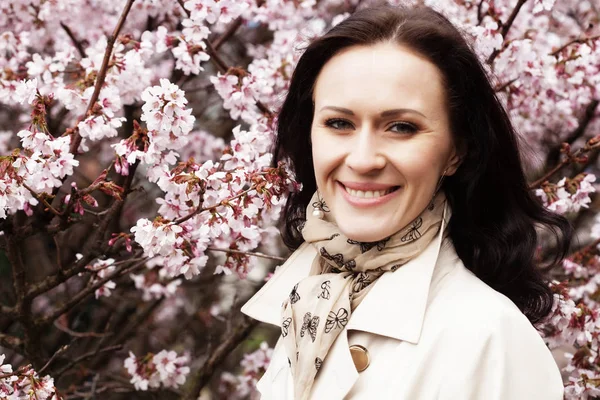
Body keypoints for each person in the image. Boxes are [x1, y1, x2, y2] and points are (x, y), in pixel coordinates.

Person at [241, 4, 572, 399]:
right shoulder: (310, 298)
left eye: (401, 127)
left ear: (457, 151)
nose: (363, 160)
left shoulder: (490, 337)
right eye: (339, 123)